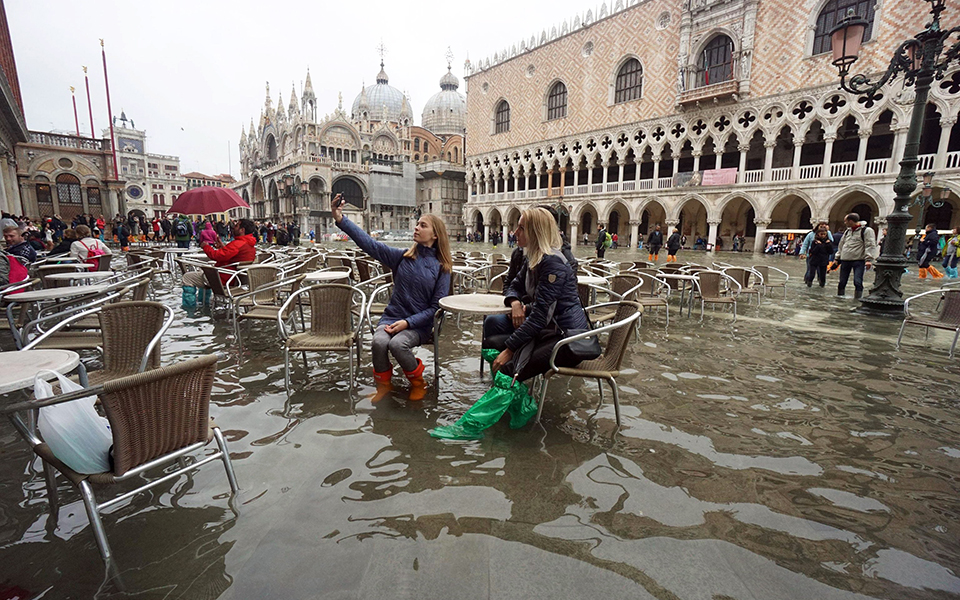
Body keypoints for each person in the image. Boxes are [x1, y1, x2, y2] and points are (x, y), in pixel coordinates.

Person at [334, 193, 452, 402]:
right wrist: (340, 219)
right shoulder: (403, 256)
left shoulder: (442, 268)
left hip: (419, 325)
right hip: (392, 317)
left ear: (435, 235)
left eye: (422, 225)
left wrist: (407, 323)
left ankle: (418, 383)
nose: (416, 227)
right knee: (379, 342)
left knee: (398, 344)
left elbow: (437, 308)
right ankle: (384, 387)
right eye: (417, 224)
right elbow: (370, 244)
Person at [483, 207, 590, 383]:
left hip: (567, 338)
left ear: (536, 232)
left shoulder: (553, 263)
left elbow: (540, 316)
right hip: (547, 331)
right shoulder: (533, 258)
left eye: (521, 228)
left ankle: (511, 394)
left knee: (509, 370)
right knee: (491, 344)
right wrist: (515, 303)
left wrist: (509, 350)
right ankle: (504, 391)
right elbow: (513, 285)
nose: (515, 232)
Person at [181, 219, 258, 307]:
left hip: (222, 278)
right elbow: (232, 256)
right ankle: (204, 303)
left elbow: (216, 256)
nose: (234, 227)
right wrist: (222, 246)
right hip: (234, 278)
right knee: (202, 273)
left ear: (242, 230)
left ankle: (190, 308)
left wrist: (206, 247)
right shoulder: (249, 244)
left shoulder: (238, 243)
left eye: (237, 226)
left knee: (187, 277)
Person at [835, 213, 878, 298]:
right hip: (845, 259)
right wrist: (837, 258)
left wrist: (869, 260)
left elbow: (870, 245)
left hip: (858, 260)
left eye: (846, 221)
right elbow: (841, 245)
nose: (845, 223)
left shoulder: (866, 230)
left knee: (857, 281)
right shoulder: (847, 231)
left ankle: (857, 299)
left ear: (851, 221)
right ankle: (839, 297)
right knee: (842, 282)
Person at [799, 222, 834, 287]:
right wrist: (802, 253)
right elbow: (805, 244)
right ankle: (808, 281)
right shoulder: (811, 235)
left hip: (823, 258)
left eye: (825, 226)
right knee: (810, 271)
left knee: (821, 273)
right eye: (821, 226)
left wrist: (828, 242)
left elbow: (831, 244)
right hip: (813, 257)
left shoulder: (828, 235)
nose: (823, 235)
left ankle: (821, 282)